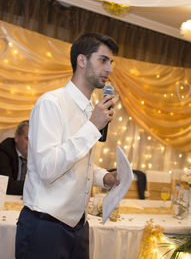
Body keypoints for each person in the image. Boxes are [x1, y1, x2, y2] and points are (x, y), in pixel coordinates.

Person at [15, 32, 119, 259]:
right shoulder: (51, 103)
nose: (109, 69)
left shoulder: (91, 109)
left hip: (79, 227)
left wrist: (105, 178)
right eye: (103, 60)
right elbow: (47, 169)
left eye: (111, 62)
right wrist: (92, 127)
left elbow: (78, 163)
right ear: (81, 61)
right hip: (45, 227)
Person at [0, 120, 29, 195]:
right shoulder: (4, 151)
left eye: (34, 140)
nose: (31, 144)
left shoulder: (39, 154)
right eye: (27, 139)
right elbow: (7, 186)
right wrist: (33, 188)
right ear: (16, 137)